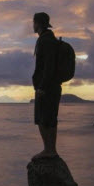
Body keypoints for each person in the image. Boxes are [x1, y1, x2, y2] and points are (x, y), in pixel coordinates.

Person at [31, 12, 62, 159]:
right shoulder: (49, 39)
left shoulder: (46, 41)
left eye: (34, 22)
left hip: (47, 87)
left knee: (43, 119)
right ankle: (50, 149)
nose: (33, 25)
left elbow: (48, 66)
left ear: (38, 23)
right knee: (48, 118)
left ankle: (49, 150)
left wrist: (42, 86)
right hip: (51, 85)